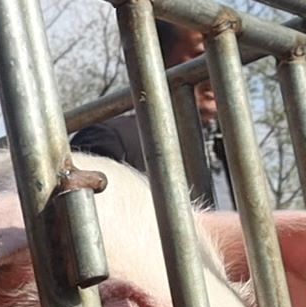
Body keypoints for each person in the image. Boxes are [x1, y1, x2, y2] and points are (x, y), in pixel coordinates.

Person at [70, 20, 234, 210]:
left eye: (222, 58)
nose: (217, 71)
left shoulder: (226, 149)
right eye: (202, 56)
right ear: (157, 61)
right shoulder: (113, 141)